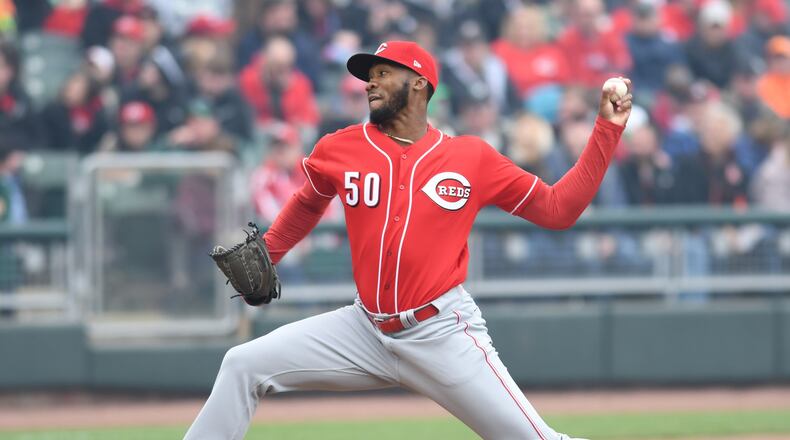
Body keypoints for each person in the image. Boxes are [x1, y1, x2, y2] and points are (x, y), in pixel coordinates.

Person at [185, 40, 631, 440]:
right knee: (242, 365)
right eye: (368, 75)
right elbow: (308, 202)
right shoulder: (340, 147)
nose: (370, 83)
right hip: (363, 329)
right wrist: (270, 253)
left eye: (383, 73)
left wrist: (606, 130)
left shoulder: (470, 157)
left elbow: (558, 209)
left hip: (441, 331)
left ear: (419, 84)